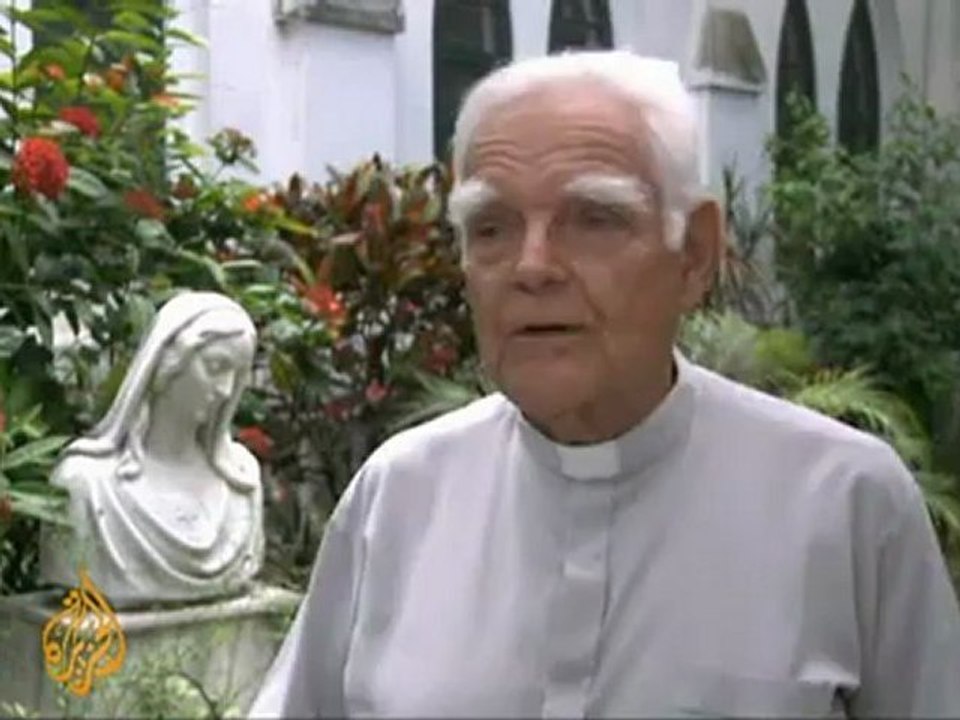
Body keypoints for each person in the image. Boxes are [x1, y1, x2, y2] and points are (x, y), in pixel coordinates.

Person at [249, 51, 960, 718]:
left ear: (695, 254)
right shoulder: (398, 497)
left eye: (594, 219)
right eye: (490, 227)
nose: (532, 267)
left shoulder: (845, 502)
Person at [40, 291, 264, 607]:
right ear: (167, 362)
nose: (226, 390)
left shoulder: (242, 482)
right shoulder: (86, 486)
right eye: (215, 366)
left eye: (237, 375)